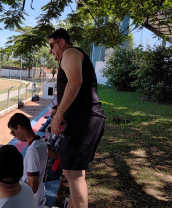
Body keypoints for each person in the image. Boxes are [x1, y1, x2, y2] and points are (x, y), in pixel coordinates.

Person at [47, 28, 105, 208]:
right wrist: (59, 109)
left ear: (62, 42)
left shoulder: (70, 52)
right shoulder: (69, 56)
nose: (50, 51)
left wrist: (59, 116)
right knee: (74, 174)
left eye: (51, 45)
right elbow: (74, 89)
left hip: (85, 119)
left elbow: (75, 82)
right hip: (83, 118)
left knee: (73, 174)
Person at [8, 113, 48, 207]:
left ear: (19, 128)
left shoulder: (32, 150)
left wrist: (11, 188)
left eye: (13, 132)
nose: (14, 136)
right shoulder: (41, 142)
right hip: (40, 198)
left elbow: (33, 187)